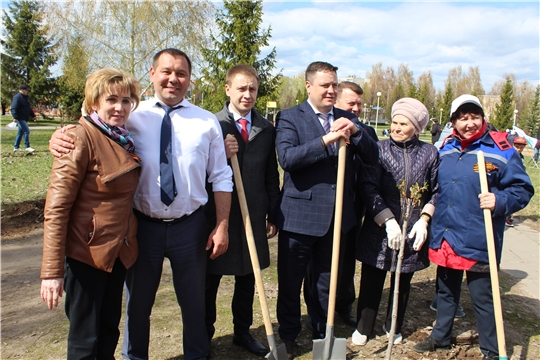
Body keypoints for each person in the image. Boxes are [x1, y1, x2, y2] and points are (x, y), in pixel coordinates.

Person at [49, 49, 233, 360]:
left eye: (181, 73)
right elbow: (95, 126)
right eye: (166, 71)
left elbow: (220, 176)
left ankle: (197, 356)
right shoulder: (132, 114)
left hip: (190, 228)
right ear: (152, 73)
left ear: (190, 79)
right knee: (138, 307)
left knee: (194, 304)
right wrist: (62, 135)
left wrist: (222, 224)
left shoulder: (206, 121)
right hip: (140, 229)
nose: (173, 79)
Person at [413, 94, 533, 360]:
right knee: (445, 290)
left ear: (482, 118)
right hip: (447, 233)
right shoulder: (445, 148)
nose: (469, 123)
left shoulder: (502, 150)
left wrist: (500, 200)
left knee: (483, 297)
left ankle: (491, 349)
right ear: (454, 121)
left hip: (479, 235)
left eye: (474, 117)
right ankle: (440, 336)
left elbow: (522, 189)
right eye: (463, 118)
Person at [274, 61, 378, 358]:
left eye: (334, 84)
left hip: (336, 220)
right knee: (291, 283)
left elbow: (372, 155)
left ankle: (322, 333)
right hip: (299, 218)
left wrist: (356, 132)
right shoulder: (291, 117)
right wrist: (326, 139)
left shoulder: (347, 117)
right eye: (325, 85)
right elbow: (288, 158)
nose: (331, 90)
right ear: (309, 86)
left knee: (325, 283)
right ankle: (289, 335)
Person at [40, 68, 141, 359]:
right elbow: (56, 209)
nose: (119, 107)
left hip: (116, 252)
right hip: (87, 255)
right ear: (94, 102)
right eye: (111, 99)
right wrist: (51, 272)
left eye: (126, 100)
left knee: (108, 332)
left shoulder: (121, 138)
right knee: (85, 340)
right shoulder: (78, 138)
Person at [204, 64, 280, 356]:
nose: (247, 94)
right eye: (241, 88)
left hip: (253, 213)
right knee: (210, 279)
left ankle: (242, 332)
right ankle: (205, 334)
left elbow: (271, 174)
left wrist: (273, 211)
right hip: (219, 216)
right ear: (228, 89)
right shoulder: (212, 124)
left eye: (252, 89)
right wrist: (220, 153)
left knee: (249, 278)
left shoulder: (265, 128)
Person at [352, 98, 438, 346]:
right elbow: (368, 186)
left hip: (413, 227)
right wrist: (387, 220)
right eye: (394, 122)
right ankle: (363, 327)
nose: (396, 128)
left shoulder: (429, 153)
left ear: (417, 127)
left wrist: (424, 218)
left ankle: (393, 325)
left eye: (404, 123)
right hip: (379, 227)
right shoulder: (379, 149)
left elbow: (437, 189)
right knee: (372, 277)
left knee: (403, 279)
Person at [332, 80, 378, 327]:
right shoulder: (328, 127)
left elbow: (374, 160)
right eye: (351, 103)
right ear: (337, 102)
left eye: (360, 103)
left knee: (348, 263)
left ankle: (344, 306)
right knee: (320, 266)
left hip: (353, 209)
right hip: (326, 210)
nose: (357, 108)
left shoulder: (367, 132)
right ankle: (319, 309)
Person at [505, 136, 527, 227]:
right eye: (517, 146)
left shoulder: (521, 157)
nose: (519, 149)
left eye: (521, 147)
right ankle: (506, 218)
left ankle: (508, 217)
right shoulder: (509, 155)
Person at [11, 84, 36, 152]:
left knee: (20, 133)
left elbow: (28, 108)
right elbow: (13, 108)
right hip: (20, 117)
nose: (27, 91)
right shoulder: (17, 97)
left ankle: (16, 147)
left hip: (24, 118)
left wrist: (33, 115)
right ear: (22, 90)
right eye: (26, 90)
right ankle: (27, 146)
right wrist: (15, 117)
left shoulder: (25, 98)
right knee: (26, 131)